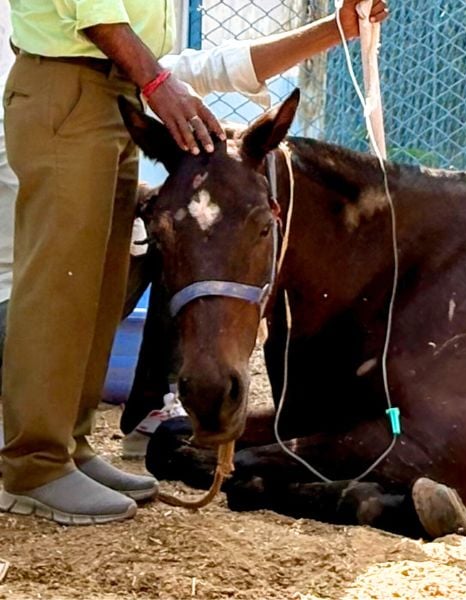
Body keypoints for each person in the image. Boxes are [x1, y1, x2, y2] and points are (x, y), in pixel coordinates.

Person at [0, 0, 388, 525]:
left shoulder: (135, 65)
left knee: (98, 284)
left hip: (114, 85)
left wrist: (337, 28)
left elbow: (217, 67)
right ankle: (33, 465)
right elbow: (96, 12)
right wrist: (157, 84)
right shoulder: (105, 59)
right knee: (64, 285)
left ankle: (70, 445)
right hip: (75, 82)